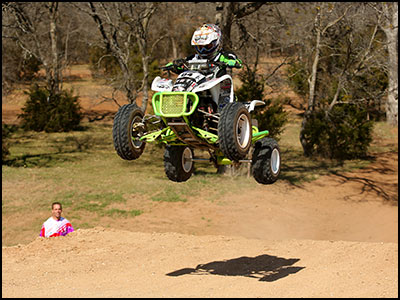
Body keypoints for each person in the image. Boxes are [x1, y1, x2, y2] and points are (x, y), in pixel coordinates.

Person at [164, 23, 242, 77]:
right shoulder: (193, 58)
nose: (203, 50)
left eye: (207, 46)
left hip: (219, 90)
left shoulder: (223, 56)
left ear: (216, 43)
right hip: (197, 88)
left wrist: (231, 62)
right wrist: (174, 65)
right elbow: (182, 64)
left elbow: (238, 62)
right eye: (200, 47)